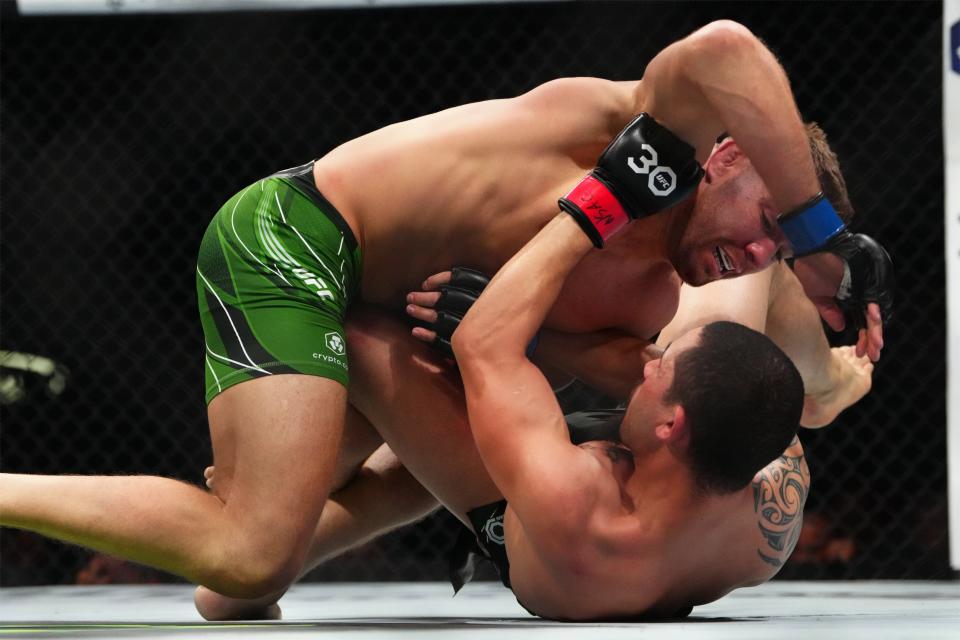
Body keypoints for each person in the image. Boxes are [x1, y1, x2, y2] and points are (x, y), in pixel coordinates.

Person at [0, 20, 888, 601]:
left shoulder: (655, 297)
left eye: (780, 248)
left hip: (383, 324)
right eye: (768, 223)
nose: (764, 252)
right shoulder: (634, 131)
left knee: (232, 590)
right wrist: (818, 232)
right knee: (249, 549)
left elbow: (660, 387)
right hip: (305, 236)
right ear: (726, 156)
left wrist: (831, 381)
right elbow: (727, 48)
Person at [194, 260, 875, 621]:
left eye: (654, 372)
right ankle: (832, 380)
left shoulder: (572, 498)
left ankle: (260, 514)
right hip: (677, 473)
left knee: (370, 340)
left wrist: (591, 211)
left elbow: (484, 343)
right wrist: (815, 383)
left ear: (670, 424)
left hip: (532, 537)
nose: (643, 366)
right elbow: (753, 396)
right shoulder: (769, 509)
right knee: (744, 278)